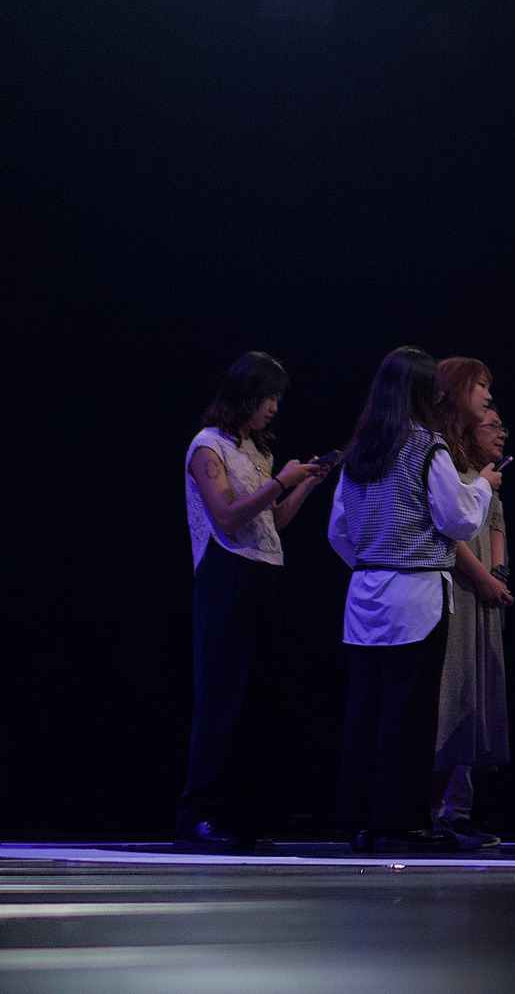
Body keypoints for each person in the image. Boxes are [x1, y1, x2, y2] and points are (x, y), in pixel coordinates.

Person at [328, 346, 503, 853]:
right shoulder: (427, 446)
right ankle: (402, 821)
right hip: (417, 592)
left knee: (368, 709)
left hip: (364, 593)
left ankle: (362, 818)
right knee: (410, 711)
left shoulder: (360, 450)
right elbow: (457, 519)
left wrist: (375, 559)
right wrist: (484, 486)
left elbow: (338, 530)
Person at [176, 352, 333, 852]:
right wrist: (282, 480)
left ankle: (241, 813)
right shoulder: (208, 446)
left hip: (265, 571)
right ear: (245, 395)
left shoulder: (254, 449)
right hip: (227, 575)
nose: (274, 407)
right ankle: (201, 813)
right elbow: (226, 516)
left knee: (257, 699)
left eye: (277, 398)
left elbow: (273, 521)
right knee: (224, 696)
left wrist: (303, 486)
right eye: (268, 397)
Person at [429, 360, 514, 846]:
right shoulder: (444, 461)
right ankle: (435, 810)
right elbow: (449, 530)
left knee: (473, 696)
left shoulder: (487, 477)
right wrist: (482, 578)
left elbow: (494, 522)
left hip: (483, 591)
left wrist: (497, 576)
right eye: (492, 424)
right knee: (452, 691)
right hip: (460, 588)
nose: (500, 432)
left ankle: (457, 810)